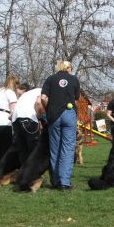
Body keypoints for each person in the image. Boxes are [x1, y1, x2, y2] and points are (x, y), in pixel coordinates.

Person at [41, 61, 80, 190]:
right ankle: (65, 182)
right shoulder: (74, 79)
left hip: (54, 116)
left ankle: (56, 180)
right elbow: (75, 100)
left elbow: (43, 98)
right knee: (68, 149)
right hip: (69, 114)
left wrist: (49, 109)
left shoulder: (50, 79)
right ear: (68, 68)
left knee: (55, 149)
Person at [0, 83, 45, 180]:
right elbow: (39, 103)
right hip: (28, 118)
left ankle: (23, 175)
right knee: (34, 150)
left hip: (15, 120)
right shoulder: (43, 91)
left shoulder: (29, 94)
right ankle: (35, 176)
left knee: (23, 150)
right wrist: (42, 116)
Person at [0, 75, 20, 177]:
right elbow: (14, 111)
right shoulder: (10, 93)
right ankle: (5, 172)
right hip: (3, 122)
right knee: (7, 149)